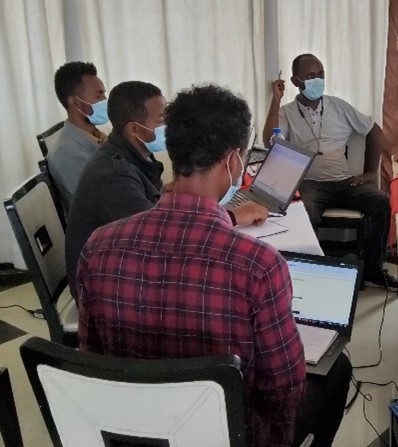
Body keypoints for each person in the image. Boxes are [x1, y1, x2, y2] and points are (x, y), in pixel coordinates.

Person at [77, 84, 352, 447]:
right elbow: (283, 385)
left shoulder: (98, 246)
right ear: (234, 161)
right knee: (338, 369)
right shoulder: (260, 265)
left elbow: (91, 358)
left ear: (171, 150)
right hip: (229, 435)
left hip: (135, 433)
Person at [65, 81, 267, 300]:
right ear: (134, 128)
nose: (169, 129)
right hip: (106, 288)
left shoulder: (134, 155)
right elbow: (161, 237)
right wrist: (231, 216)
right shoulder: (113, 176)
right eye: (161, 121)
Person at [263, 53, 396, 287]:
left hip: (344, 182)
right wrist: (276, 99)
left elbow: (373, 130)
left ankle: (373, 269)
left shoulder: (338, 106)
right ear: (296, 81)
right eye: (310, 76)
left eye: (321, 75)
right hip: (310, 183)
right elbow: (269, 141)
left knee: (381, 202)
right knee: (305, 214)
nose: (318, 81)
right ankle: (311, 275)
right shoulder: (287, 112)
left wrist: (370, 172)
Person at [48, 61, 108, 209]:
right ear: (75, 102)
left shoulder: (97, 137)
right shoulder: (67, 153)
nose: (105, 101)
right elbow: (102, 204)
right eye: (98, 95)